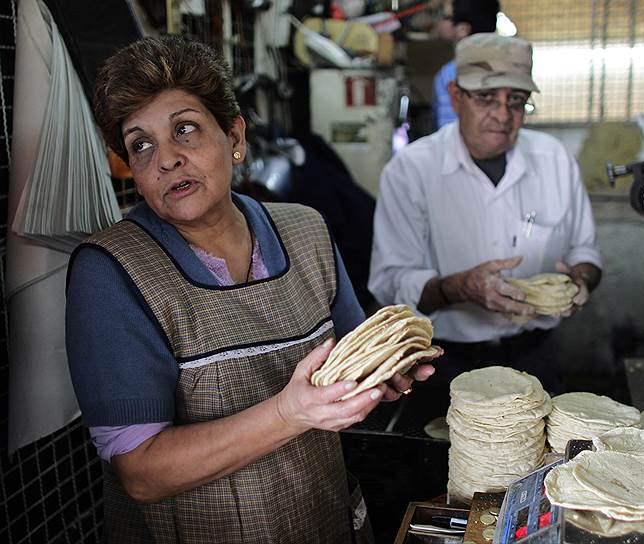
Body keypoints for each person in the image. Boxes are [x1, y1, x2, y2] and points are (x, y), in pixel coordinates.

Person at [65, 36, 437, 544]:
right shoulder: (112, 271)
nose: (167, 159)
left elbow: (349, 362)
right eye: (142, 144)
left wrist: (377, 380)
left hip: (323, 519)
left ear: (234, 137)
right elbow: (142, 473)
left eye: (186, 129)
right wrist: (290, 412)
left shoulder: (305, 231)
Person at [369, 33, 603, 395]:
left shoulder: (554, 159)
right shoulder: (412, 171)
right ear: (455, 96)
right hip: (443, 360)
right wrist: (459, 288)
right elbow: (390, 283)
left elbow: (585, 250)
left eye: (516, 100)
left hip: (535, 355)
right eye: (485, 98)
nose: (502, 115)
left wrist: (581, 278)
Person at [433, 0, 500, 130]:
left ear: (463, 29)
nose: (439, 22)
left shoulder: (450, 74)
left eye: (447, 18)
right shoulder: (508, 65)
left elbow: (448, 130)